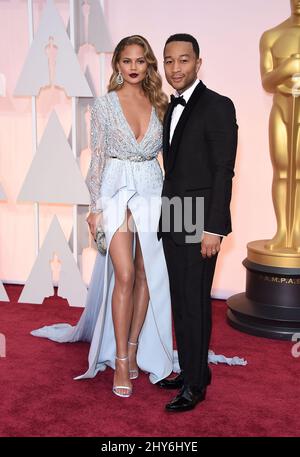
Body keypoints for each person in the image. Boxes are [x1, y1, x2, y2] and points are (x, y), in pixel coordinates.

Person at [31, 35, 174, 398]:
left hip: (152, 188)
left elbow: (169, 157)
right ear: (117, 66)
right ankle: (121, 361)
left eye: (140, 61)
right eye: (127, 61)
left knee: (146, 273)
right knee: (124, 273)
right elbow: (96, 158)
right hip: (114, 189)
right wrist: (95, 208)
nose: (133, 67)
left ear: (149, 65)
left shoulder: (161, 102)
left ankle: (135, 347)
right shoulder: (105, 105)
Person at [157, 34, 238, 412]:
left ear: (198, 63)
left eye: (184, 61)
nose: (176, 68)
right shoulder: (169, 106)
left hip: (200, 218)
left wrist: (214, 227)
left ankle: (194, 386)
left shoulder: (218, 105)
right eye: (169, 61)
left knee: (195, 302)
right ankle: (193, 370)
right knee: (180, 299)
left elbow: (224, 170)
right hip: (174, 213)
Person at [260, 0, 300, 252]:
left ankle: (297, 231)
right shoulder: (272, 36)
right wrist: (287, 67)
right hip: (281, 111)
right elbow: (267, 81)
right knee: (282, 172)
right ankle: (283, 231)